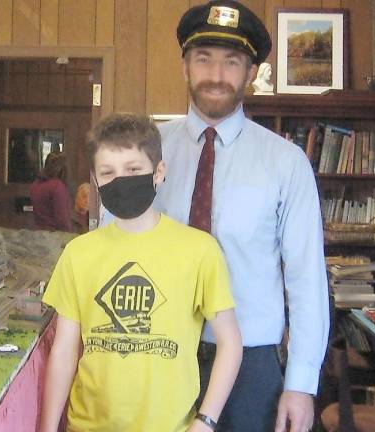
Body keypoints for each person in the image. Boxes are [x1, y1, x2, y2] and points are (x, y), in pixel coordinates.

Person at [154, 2, 330, 431]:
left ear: (251, 73)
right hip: (156, 354)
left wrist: (301, 384)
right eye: (204, 59)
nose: (217, 75)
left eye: (232, 62)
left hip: (252, 369)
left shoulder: (286, 163)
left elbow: (306, 278)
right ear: (184, 66)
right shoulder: (145, 151)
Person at [40, 113, 242, 432]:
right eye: (108, 172)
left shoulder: (200, 250)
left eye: (133, 169)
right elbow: (64, 349)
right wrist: (48, 427)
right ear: (95, 179)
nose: (121, 180)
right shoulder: (78, 254)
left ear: (158, 172)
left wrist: (205, 422)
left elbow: (230, 342)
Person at [30, 151, 73, 232]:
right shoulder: (57, 186)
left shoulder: (35, 184)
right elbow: (62, 220)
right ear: (64, 170)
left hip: (38, 234)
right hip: (54, 236)